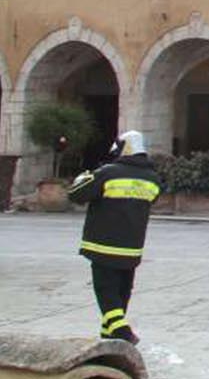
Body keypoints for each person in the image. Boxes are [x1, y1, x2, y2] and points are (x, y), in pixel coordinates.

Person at [67, 131, 162, 345]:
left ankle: (121, 330)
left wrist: (83, 177)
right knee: (122, 290)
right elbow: (153, 198)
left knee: (106, 289)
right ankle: (108, 335)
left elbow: (76, 194)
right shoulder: (153, 179)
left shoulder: (108, 173)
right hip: (132, 247)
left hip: (103, 244)